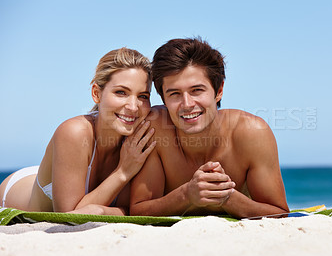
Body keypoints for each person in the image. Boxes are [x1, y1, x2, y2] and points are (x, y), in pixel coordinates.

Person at [129, 38, 289, 218]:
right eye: (174, 94)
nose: (187, 104)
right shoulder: (153, 130)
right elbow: (138, 211)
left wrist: (226, 196)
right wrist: (186, 194)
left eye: (197, 90)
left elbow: (280, 213)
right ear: (163, 98)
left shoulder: (252, 133)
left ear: (219, 90)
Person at [0, 47, 156, 215]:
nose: (133, 107)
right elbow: (68, 215)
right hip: (15, 192)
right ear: (96, 93)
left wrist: (101, 210)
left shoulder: (138, 139)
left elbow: (130, 209)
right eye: (121, 92)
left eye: (143, 96)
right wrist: (123, 171)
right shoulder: (75, 132)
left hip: (66, 172)